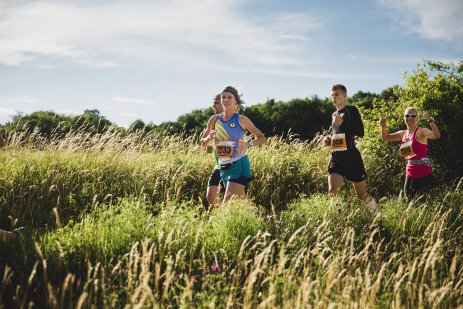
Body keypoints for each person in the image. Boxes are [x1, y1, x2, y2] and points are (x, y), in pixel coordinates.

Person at [201, 86, 266, 203]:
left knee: (228, 204)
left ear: (236, 101)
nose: (225, 100)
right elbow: (203, 143)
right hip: (222, 166)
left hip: (238, 164)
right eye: (223, 97)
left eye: (229, 97)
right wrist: (209, 137)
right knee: (238, 204)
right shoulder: (214, 119)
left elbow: (262, 138)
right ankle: (262, 218)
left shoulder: (242, 119)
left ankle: (220, 221)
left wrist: (248, 144)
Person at [324, 84, 377, 209]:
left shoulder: (351, 110)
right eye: (332, 95)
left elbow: (360, 132)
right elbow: (340, 136)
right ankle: (341, 217)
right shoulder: (333, 114)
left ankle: (376, 213)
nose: (333, 97)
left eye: (336, 94)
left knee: (361, 195)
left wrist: (342, 123)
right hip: (337, 156)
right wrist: (330, 140)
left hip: (352, 157)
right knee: (332, 192)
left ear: (345, 96)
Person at [379, 107, 440, 198]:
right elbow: (386, 137)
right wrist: (383, 126)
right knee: (409, 202)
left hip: (424, 173)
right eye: (407, 115)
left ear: (417, 118)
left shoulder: (421, 131)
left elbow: (436, 135)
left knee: (425, 203)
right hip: (410, 173)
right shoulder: (403, 134)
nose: (410, 118)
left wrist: (430, 121)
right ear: (404, 118)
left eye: (413, 116)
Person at [201, 94, 224, 205]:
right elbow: (203, 142)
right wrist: (209, 140)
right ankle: (220, 216)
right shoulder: (213, 119)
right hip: (219, 164)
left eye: (216, 102)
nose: (213, 105)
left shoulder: (234, 119)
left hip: (235, 163)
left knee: (234, 198)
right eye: (213, 102)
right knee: (210, 197)